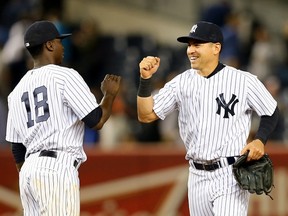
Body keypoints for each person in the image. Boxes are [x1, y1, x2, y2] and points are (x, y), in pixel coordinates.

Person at [136, 21, 279, 215]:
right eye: (189, 45)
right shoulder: (181, 82)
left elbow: (270, 110)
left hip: (229, 174)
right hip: (196, 175)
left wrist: (260, 140)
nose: (191, 50)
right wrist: (145, 80)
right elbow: (145, 115)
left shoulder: (242, 80)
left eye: (197, 45)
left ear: (216, 48)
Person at [5, 20, 121, 215]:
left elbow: (17, 149)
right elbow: (97, 120)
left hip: (28, 171)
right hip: (56, 168)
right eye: (59, 42)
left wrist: (32, 174)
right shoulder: (65, 76)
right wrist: (109, 95)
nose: (63, 46)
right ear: (49, 45)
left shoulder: (15, 92)